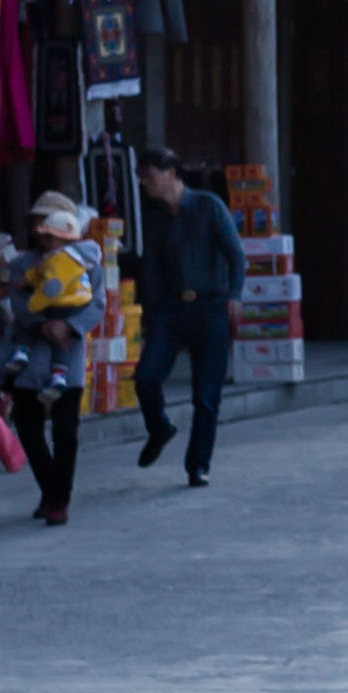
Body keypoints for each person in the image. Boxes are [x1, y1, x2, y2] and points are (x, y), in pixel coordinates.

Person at [129, 154, 241, 486]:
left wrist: (235, 295)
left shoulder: (208, 207)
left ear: (171, 173)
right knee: (146, 377)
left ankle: (198, 465)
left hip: (211, 307)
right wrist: (149, 316)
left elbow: (236, 256)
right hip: (171, 309)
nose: (144, 182)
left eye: (149, 175)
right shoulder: (154, 218)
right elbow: (150, 269)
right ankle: (159, 427)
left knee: (206, 395)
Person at [4, 192, 99, 525]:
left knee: (65, 431)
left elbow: (95, 304)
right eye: (38, 223)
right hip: (29, 356)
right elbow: (18, 305)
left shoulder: (87, 262)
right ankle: (49, 488)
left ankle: (60, 498)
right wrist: (42, 324)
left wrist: (68, 326)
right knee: (29, 428)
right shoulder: (22, 264)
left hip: (68, 355)